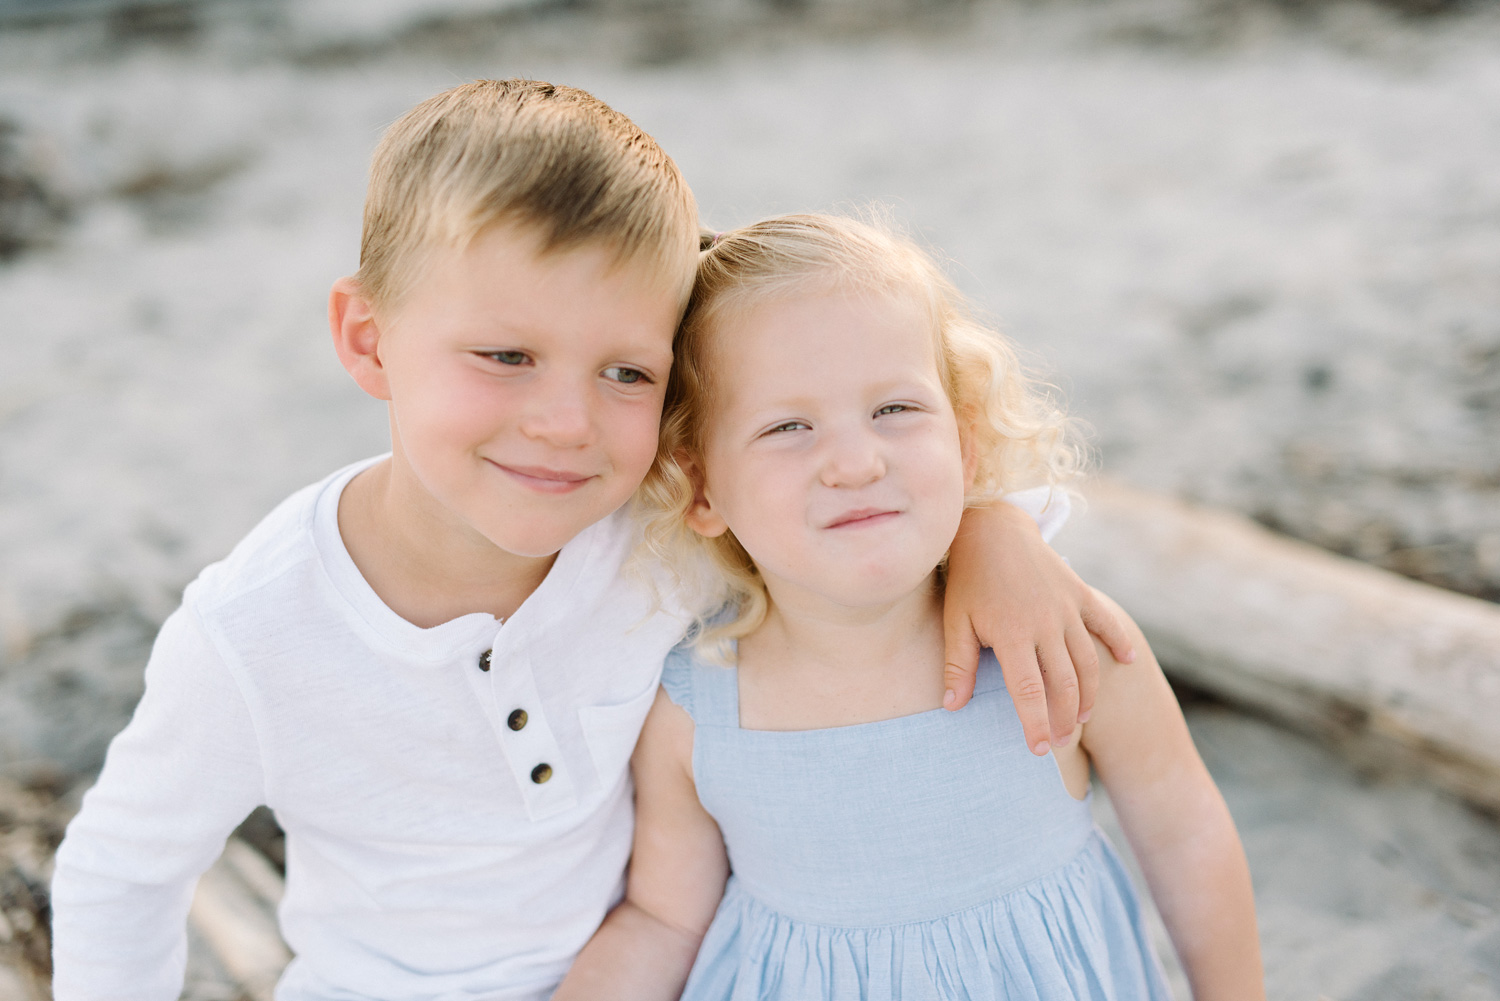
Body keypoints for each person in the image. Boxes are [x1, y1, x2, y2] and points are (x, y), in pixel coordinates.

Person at [48, 83, 1131, 1000]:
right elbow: (121, 873)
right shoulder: (254, 633)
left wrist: (994, 532)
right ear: (368, 339)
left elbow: (852, 501)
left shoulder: (659, 529)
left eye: (627, 372)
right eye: (507, 354)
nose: (567, 422)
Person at [556, 214, 1265, 1001]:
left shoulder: (1060, 641)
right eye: (788, 426)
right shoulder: (696, 708)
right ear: (701, 486)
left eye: (895, 409)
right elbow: (664, 919)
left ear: (963, 442)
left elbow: (1184, 831)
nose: (856, 461)